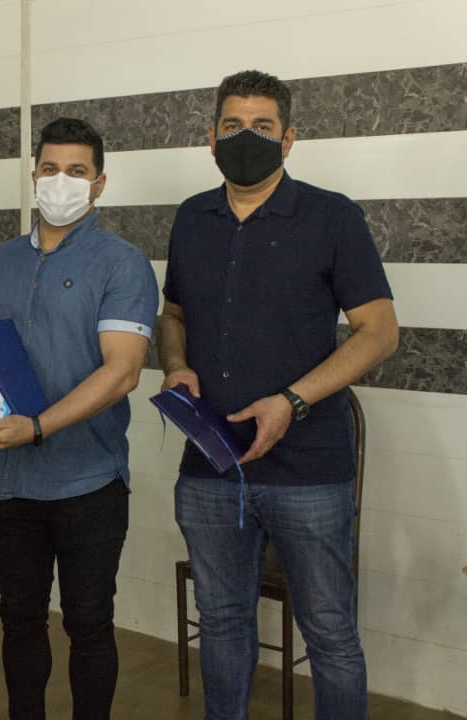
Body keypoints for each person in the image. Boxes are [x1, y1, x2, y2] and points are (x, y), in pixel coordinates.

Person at [155, 69, 399, 720]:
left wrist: (291, 401)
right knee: (222, 622)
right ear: (211, 137)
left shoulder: (332, 217)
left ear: (289, 139)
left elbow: (380, 332)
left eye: (262, 127)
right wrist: (175, 365)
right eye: (233, 125)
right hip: (212, 465)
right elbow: (173, 314)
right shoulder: (192, 218)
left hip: (309, 472)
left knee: (330, 634)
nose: (247, 138)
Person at [0, 117, 159, 719]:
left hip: (88, 482)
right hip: (8, 482)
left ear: (99, 184)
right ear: (33, 175)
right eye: (50, 168)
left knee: (89, 623)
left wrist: (39, 426)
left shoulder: (122, 264)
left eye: (76, 171)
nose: (61, 181)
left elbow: (122, 371)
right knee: (19, 619)